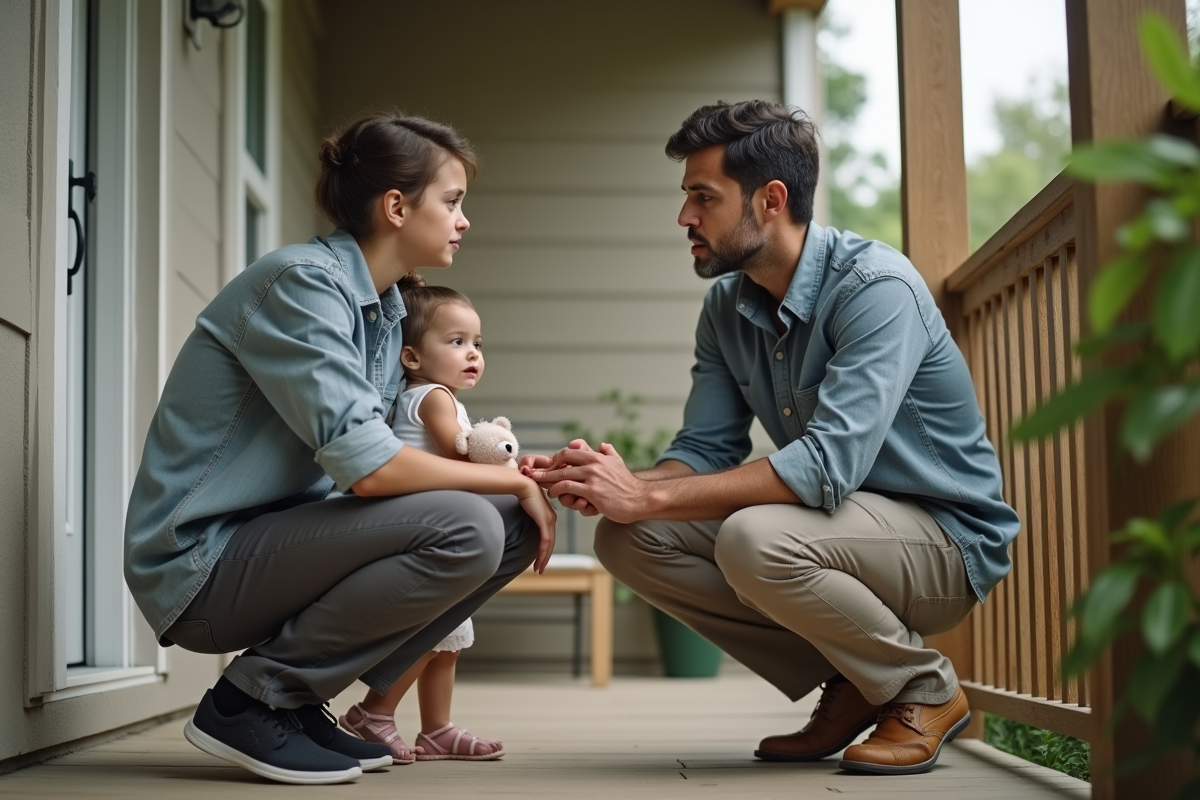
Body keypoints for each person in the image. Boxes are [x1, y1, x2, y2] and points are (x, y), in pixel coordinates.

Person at [524, 100, 1020, 776]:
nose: (685, 218)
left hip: (943, 542)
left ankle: (921, 687)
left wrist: (648, 497)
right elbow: (702, 450)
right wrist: (617, 486)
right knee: (627, 536)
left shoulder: (875, 288)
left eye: (703, 197)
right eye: (686, 198)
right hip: (833, 531)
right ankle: (853, 680)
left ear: (770, 200)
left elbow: (825, 467)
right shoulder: (727, 308)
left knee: (753, 536)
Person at [123, 113, 555, 786]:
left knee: (509, 528)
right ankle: (249, 700)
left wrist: (511, 477)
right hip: (199, 565)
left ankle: (294, 702)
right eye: (452, 201)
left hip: (278, 544)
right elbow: (373, 470)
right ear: (395, 206)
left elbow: (387, 457)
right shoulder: (301, 286)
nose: (464, 220)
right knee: (472, 521)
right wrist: (507, 484)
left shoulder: (381, 313)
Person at [338, 276, 507, 763]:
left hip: (441, 530)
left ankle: (437, 729)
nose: (473, 353)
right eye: (456, 342)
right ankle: (375, 712)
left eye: (477, 343)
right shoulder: (433, 398)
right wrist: (511, 467)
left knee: (449, 640)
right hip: (430, 535)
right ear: (411, 357)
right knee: (434, 635)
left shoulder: (438, 396)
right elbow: (460, 458)